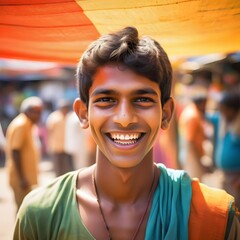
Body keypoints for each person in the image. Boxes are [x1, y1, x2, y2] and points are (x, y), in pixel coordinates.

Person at [14, 27, 240, 239]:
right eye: (106, 100)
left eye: (142, 99)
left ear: (166, 114)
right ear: (83, 113)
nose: (124, 119)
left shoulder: (213, 216)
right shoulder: (41, 214)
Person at [5, 96, 43, 210]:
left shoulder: (28, 124)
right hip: (21, 178)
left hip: (26, 176)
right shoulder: (21, 124)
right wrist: (22, 178)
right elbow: (15, 151)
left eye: (40, 112)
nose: (38, 116)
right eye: (36, 112)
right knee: (23, 210)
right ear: (27, 111)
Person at [207, 88, 240, 210]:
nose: (221, 112)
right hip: (225, 175)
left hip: (237, 178)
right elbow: (205, 115)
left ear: (233, 110)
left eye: (224, 109)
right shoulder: (222, 120)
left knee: (236, 210)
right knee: (228, 209)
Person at [178, 90, 210, 180]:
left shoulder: (192, 111)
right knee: (195, 185)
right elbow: (190, 142)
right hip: (191, 157)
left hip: (191, 155)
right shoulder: (192, 116)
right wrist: (199, 162)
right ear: (202, 103)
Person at [46, 99, 74, 176]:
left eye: (66, 108)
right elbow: (49, 132)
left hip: (68, 146)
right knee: (58, 167)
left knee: (68, 167)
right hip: (57, 146)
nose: (65, 110)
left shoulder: (70, 116)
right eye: (63, 108)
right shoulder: (53, 117)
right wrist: (49, 145)